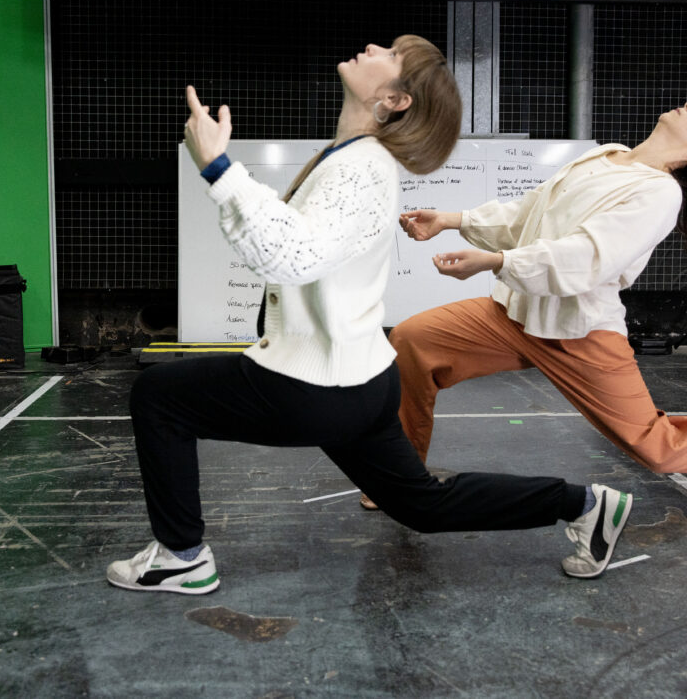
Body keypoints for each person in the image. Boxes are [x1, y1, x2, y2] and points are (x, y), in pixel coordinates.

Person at [106, 35, 635, 595]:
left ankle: (182, 557)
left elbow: (292, 256)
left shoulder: (361, 168)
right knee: (421, 506)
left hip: (314, 387)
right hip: (361, 381)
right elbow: (304, 244)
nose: (372, 46)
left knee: (158, 397)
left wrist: (217, 167)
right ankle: (584, 504)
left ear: (395, 99)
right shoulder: (351, 157)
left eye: (390, 54)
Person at [365, 102, 687, 513]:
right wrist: (453, 219)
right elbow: (529, 213)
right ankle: (401, 478)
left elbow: (587, 257)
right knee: (412, 341)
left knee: (656, 448)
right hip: (515, 314)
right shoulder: (604, 156)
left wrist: (498, 262)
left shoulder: (659, 193)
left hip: (579, 329)